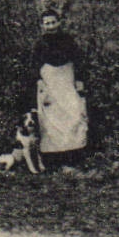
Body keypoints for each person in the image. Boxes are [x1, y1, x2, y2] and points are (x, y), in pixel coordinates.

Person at [31, 11, 88, 169]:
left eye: (53, 22)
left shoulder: (68, 41)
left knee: (73, 115)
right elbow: (35, 65)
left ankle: (73, 158)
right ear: (42, 26)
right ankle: (53, 161)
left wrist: (79, 80)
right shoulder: (40, 44)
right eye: (47, 23)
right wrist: (40, 81)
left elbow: (78, 60)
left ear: (59, 22)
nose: (50, 26)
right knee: (51, 120)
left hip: (66, 80)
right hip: (50, 83)